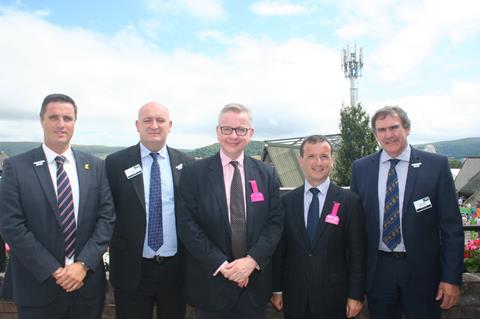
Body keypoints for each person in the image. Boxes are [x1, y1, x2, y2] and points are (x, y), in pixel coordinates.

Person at [0, 93, 115, 319]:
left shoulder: (95, 166)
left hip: (86, 287)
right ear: (42, 120)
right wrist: (54, 270)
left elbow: (107, 218)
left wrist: (82, 265)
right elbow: (11, 225)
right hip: (37, 286)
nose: (61, 124)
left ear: (74, 122)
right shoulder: (16, 167)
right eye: (54, 117)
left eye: (67, 118)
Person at [350, 106, 464, 319]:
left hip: (424, 273)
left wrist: (451, 278)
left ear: (407, 129)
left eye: (394, 127)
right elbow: (355, 227)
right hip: (378, 272)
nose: (388, 135)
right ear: (375, 134)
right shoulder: (361, 168)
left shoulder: (436, 165)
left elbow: (451, 226)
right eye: (381, 130)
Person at [177, 103, 284, 319]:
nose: (233, 135)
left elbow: (275, 223)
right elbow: (187, 225)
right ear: (218, 132)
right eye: (227, 129)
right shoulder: (193, 173)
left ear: (250, 133)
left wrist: (251, 261)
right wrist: (223, 265)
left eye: (241, 129)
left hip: (254, 287)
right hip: (211, 286)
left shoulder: (267, 174)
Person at [105, 102, 194, 319]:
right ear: (137, 125)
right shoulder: (115, 163)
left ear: (170, 125)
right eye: (147, 120)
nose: (154, 125)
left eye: (160, 120)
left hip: (175, 269)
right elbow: (107, 213)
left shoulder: (187, 164)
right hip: (132, 269)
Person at [271, 135, 366, 319]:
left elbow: (357, 253)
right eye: (311, 156)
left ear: (332, 161)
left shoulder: (350, 202)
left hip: (335, 298)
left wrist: (355, 295)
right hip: (295, 297)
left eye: (324, 156)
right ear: (301, 161)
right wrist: (277, 289)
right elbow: (280, 251)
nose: (318, 162)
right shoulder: (287, 202)